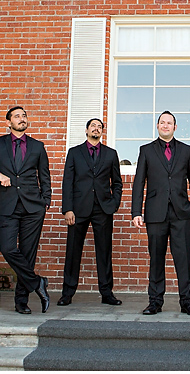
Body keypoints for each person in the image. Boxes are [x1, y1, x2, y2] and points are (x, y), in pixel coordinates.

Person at [0, 106, 51, 314]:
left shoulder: (37, 146)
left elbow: (44, 177)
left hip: (33, 207)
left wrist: (45, 202)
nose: (22, 118)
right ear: (9, 123)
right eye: (17, 116)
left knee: (28, 254)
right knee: (8, 249)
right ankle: (37, 283)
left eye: (24, 115)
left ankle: (21, 302)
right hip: (7, 206)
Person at [131, 111, 190, 316]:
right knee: (156, 259)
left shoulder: (186, 151)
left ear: (175, 127)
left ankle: (187, 302)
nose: (165, 125)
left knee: (184, 260)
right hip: (155, 214)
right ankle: (155, 302)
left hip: (182, 214)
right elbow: (139, 183)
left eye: (169, 123)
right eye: (162, 122)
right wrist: (136, 211)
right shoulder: (146, 150)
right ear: (157, 126)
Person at [58, 118, 123, 306]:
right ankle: (67, 293)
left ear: (102, 131)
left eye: (100, 126)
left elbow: (117, 183)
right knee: (72, 251)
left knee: (104, 251)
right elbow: (67, 182)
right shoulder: (74, 153)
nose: (96, 129)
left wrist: (114, 203)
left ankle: (106, 292)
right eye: (93, 126)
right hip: (78, 209)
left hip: (103, 209)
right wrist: (67, 209)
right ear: (86, 130)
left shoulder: (111, 154)